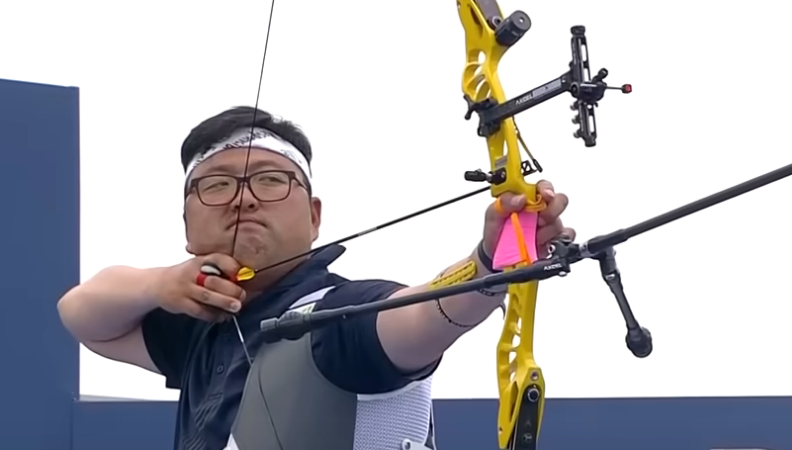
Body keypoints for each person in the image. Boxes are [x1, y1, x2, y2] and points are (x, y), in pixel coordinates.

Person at [57, 106, 575, 450]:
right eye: (216, 185)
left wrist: (489, 264)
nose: (244, 198)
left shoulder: (338, 317)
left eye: (270, 180)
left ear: (314, 216)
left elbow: (426, 315)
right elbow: (81, 313)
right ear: (187, 226)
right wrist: (160, 284)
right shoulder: (203, 329)